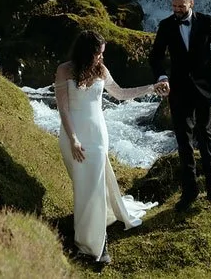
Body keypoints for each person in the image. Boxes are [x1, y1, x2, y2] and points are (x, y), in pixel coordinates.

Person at [54, 29, 165, 264]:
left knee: (93, 187)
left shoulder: (101, 70)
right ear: (87, 52)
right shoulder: (64, 70)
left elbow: (120, 94)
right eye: (98, 53)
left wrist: (151, 88)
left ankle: (93, 244)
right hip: (72, 134)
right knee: (83, 187)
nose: (101, 57)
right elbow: (63, 109)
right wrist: (73, 139)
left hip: (97, 136)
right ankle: (94, 228)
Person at [149, 0, 211, 210]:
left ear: (191, 3)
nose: (177, 10)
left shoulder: (206, 21)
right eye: (174, 6)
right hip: (178, 89)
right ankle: (189, 191)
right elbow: (155, 56)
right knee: (183, 140)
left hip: (204, 88)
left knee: (205, 134)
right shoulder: (166, 25)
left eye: (181, 6)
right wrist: (162, 76)